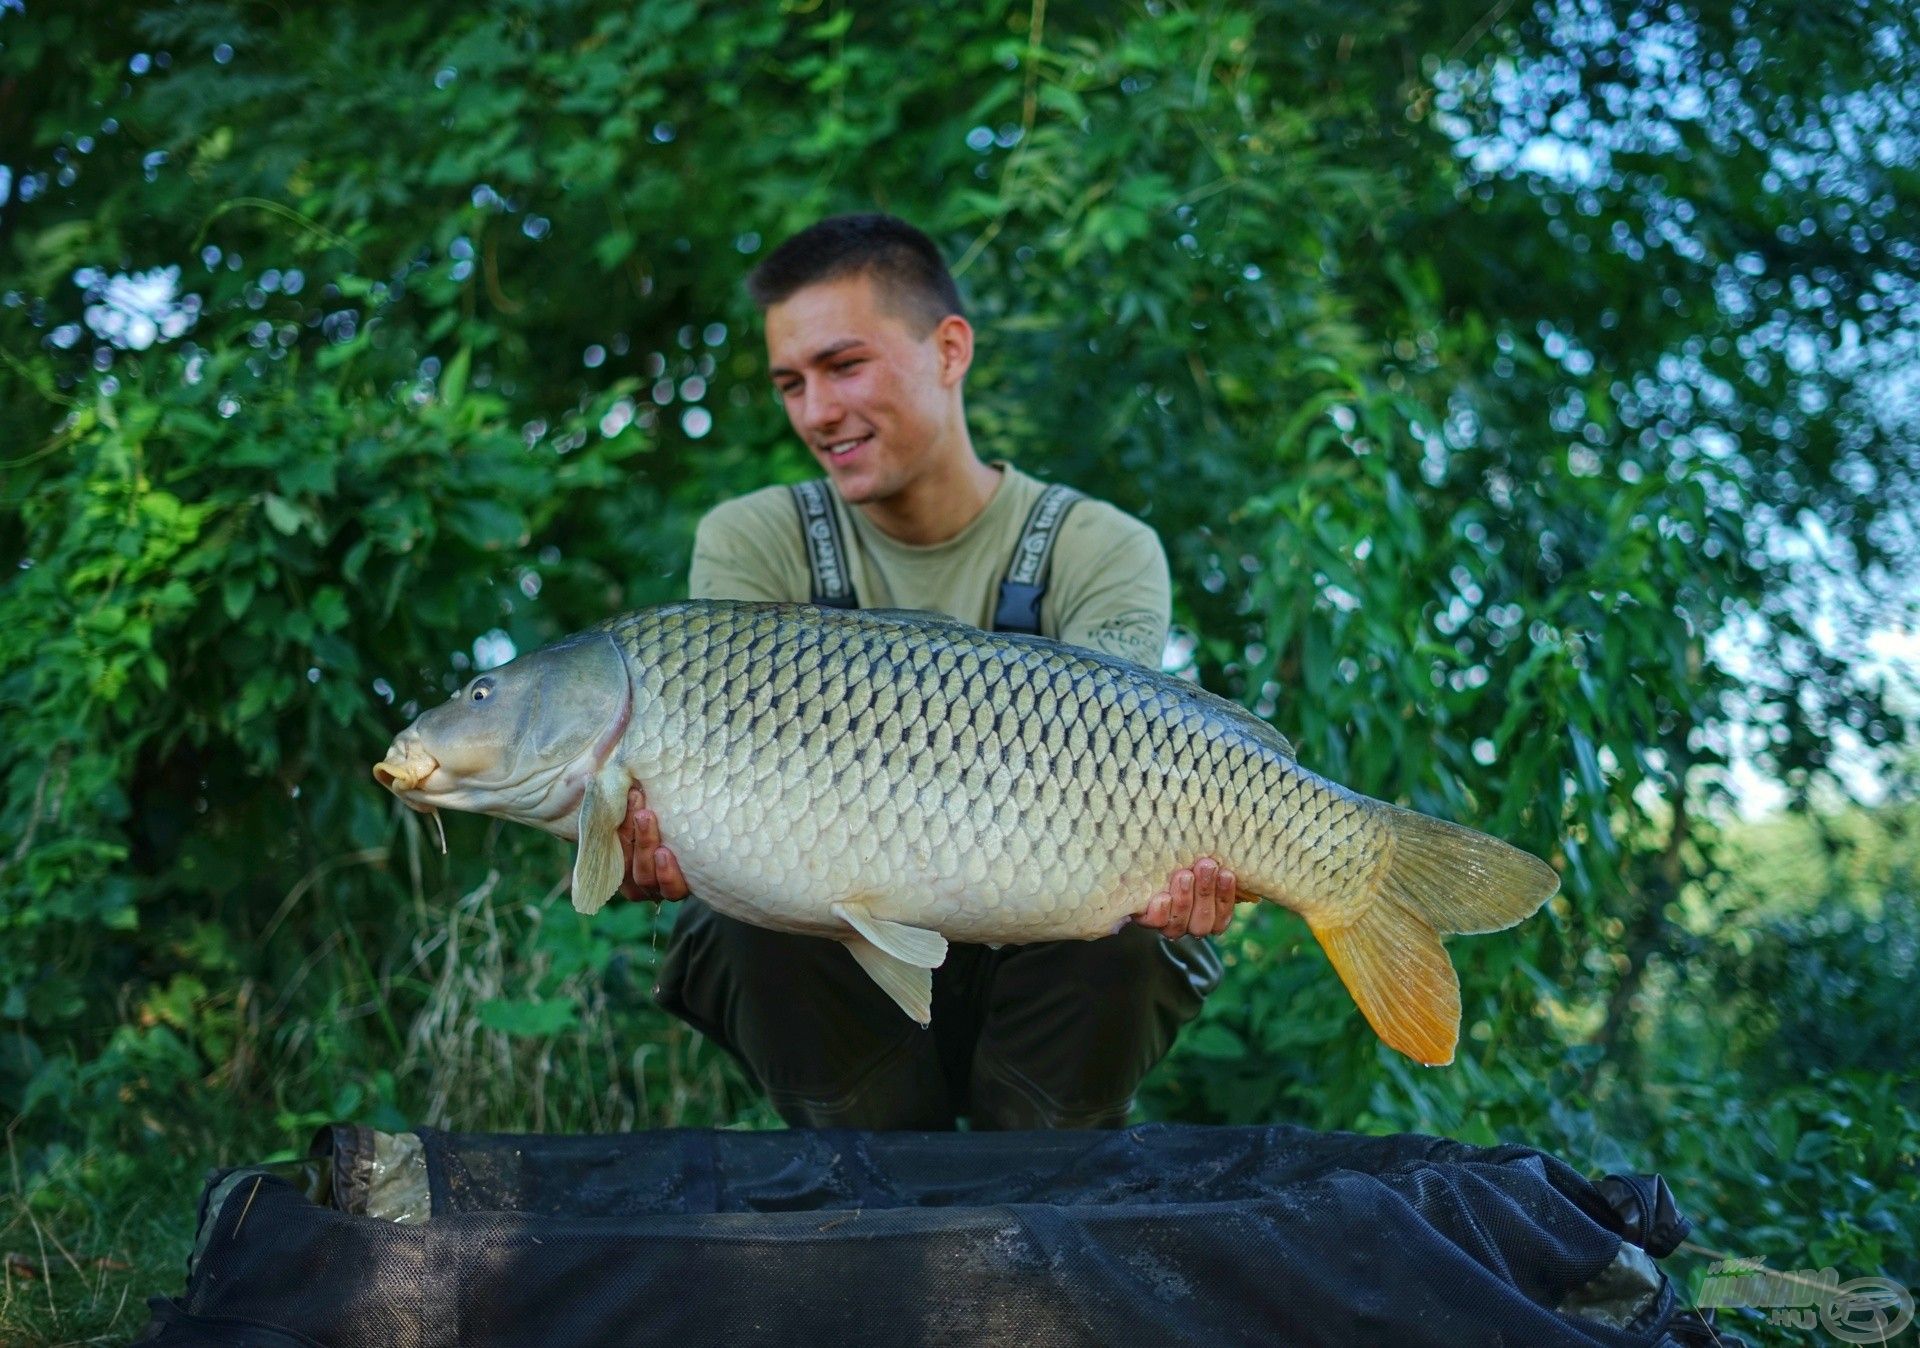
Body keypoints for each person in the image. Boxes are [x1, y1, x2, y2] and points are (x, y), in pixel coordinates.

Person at [616, 213, 1243, 1130]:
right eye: (791, 383)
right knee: (739, 907)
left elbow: (1123, 772)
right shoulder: (754, 541)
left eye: (844, 366)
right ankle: (870, 1194)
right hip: (837, 949)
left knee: (1132, 928)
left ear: (950, 350)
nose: (816, 412)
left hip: (1043, 939)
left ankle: (1038, 1197)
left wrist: (1180, 866)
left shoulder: (1097, 548)